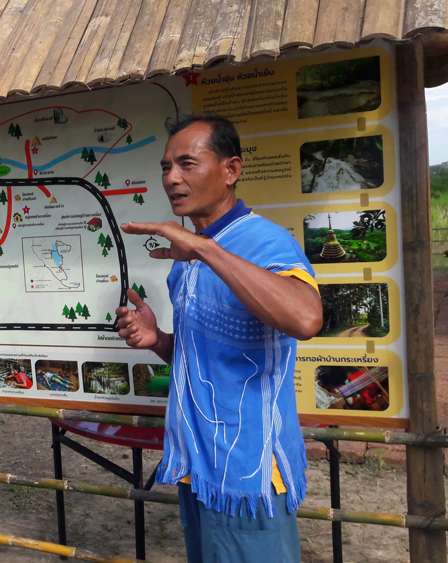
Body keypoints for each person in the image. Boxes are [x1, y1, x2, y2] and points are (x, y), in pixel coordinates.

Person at [116, 114, 323, 562]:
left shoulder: (266, 242)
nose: (172, 178)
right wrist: (157, 339)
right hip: (199, 464)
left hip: (248, 468)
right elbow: (203, 358)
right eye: (166, 167)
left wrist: (206, 249)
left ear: (231, 170)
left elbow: (306, 319)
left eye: (187, 164)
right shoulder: (184, 259)